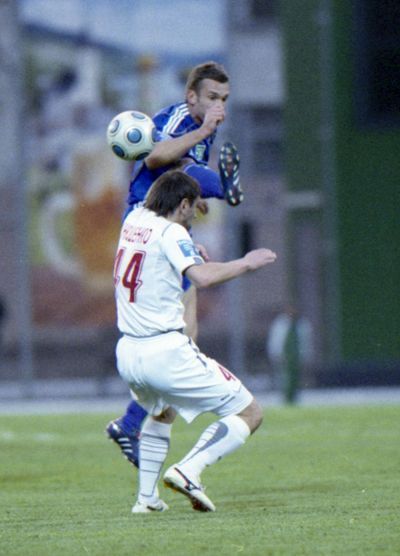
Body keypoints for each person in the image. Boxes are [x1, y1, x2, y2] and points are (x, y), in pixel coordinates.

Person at [113, 170, 277, 513]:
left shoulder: (134, 219)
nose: (194, 217)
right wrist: (246, 263)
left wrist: (188, 248)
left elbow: (158, 250)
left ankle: (146, 500)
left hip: (128, 353)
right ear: (184, 204)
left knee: (163, 412)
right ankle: (189, 470)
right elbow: (201, 277)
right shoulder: (172, 232)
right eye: (193, 207)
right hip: (165, 351)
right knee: (249, 412)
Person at [106, 60, 243, 465]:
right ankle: (135, 419)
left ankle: (133, 422)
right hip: (148, 221)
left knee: (186, 324)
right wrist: (203, 134)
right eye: (212, 97)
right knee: (179, 329)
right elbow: (153, 158)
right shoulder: (182, 120)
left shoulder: (199, 125)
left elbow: (177, 167)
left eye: (224, 99)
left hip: (163, 223)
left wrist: (193, 195)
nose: (219, 106)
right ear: (191, 96)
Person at [267, 305, 314, 404]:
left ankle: (294, 398)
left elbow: (306, 342)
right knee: (284, 378)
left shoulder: (302, 325)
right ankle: (285, 398)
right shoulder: (280, 324)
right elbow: (275, 340)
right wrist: (275, 353)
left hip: (296, 356)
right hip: (284, 356)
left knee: (296, 378)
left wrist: (306, 356)